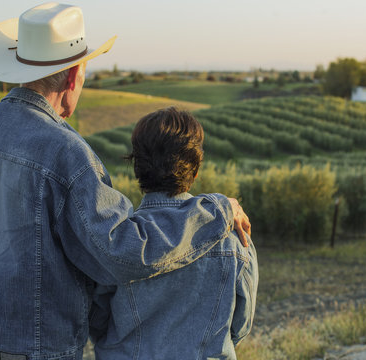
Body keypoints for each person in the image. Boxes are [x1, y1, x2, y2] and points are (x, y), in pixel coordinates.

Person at [0, 4, 250, 360]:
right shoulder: (66, 152)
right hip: (34, 352)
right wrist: (217, 209)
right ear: (72, 77)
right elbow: (125, 253)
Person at [89, 107, 258, 360]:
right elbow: (240, 327)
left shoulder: (116, 242)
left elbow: (96, 321)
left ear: (137, 170)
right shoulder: (235, 238)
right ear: (196, 169)